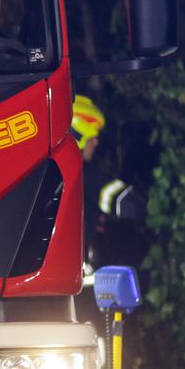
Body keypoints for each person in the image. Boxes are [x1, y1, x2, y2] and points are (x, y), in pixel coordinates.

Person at [72, 93, 145, 271]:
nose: (96, 143)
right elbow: (128, 204)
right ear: (76, 134)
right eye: (91, 137)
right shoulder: (83, 175)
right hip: (74, 277)